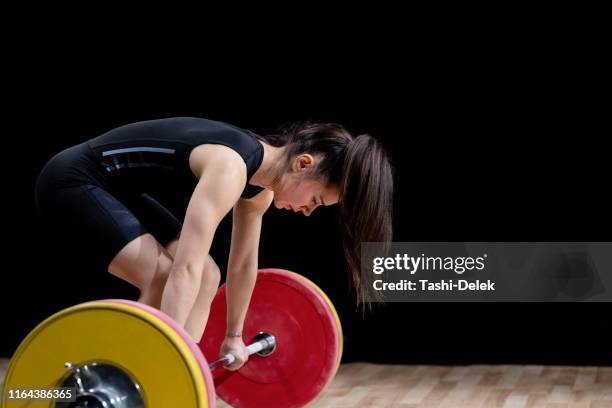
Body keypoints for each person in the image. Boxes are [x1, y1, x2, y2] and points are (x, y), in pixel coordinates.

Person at [35, 117, 393, 370]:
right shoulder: (230, 167)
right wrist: (166, 354)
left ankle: (171, 374)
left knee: (209, 275)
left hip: (118, 190)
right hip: (72, 180)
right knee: (166, 276)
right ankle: (134, 372)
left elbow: (240, 267)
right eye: (314, 201)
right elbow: (183, 268)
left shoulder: (259, 192)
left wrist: (233, 336)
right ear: (303, 164)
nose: (306, 212)